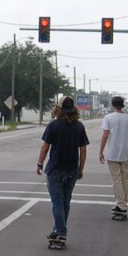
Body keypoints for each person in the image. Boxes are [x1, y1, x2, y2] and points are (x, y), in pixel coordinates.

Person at [36, 95, 89, 245]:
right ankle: (58, 229)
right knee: (65, 202)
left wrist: (40, 163)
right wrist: (81, 169)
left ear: (59, 109)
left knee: (58, 202)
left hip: (55, 170)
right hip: (72, 170)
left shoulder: (53, 125)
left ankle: (61, 232)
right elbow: (83, 150)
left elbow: (45, 147)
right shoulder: (79, 126)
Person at [99, 95, 128, 217]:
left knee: (116, 180)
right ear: (122, 105)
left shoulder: (108, 118)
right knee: (124, 180)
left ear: (113, 105)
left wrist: (101, 152)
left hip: (113, 154)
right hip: (126, 153)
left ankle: (121, 205)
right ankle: (123, 203)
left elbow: (105, 135)